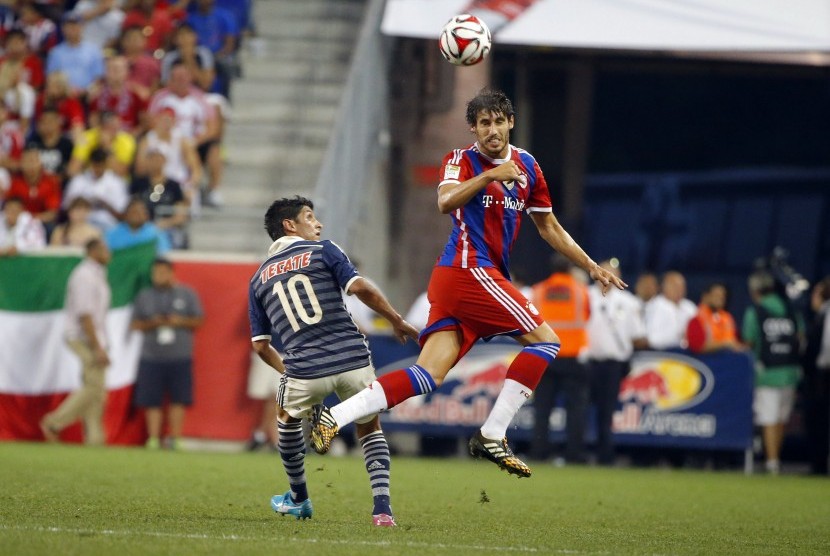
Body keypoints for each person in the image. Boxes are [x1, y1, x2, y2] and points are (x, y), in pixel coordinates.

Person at [309, 89, 626, 478]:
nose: (491, 130)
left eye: (497, 121)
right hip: (467, 271)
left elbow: (549, 226)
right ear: (473, 129)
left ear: (510, 122)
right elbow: (445, 202)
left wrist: (592, 265)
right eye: (483, 124)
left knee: (428, 375)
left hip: (471, 281)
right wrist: (490, 174)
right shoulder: (461, 160)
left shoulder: (528, 166)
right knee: (546, 340)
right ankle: (493, 433)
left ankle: (334, 415)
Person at [248, 196, 418, 525]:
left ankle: (298, 498)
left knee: (285, 417)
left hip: (304, 370)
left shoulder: (258, 279)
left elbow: (260, 346)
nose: (318, 224)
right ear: (290, 225)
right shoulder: (324, 250)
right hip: (353, 359)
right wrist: (395, 319)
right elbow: (361, 289)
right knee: (369, 427)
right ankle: (382, 509)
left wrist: (290, 373)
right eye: (309, 217)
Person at [40, 238, 112, 445]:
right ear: (92, 251)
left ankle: (95, 438)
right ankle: (53, 422)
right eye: (104, 249)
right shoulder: (84, 275)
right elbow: (85, 315)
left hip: (93, 337)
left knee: (96, 391)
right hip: (83, 338)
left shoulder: (97, 274)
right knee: (93, 386)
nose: (108, 253)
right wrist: (97, 347)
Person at [130, 258, 204, 449]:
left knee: (179, 399)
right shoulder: (145, 296)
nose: (158, 277)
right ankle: (153, 439)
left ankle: (176, 438)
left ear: (171, 273)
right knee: (151, 399)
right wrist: (153, 323)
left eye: (162, 273)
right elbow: (135, 324)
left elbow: (198, 321)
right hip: (151, 356)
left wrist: (179, 321)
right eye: (155, 273)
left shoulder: (187, 294)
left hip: (180, 355)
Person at [585, 259, 647, 465]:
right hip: (587, 361)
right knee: (581, 409)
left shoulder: (629, 302)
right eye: (604, 272)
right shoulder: (585, 296)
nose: (607, 277)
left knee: (607, 410)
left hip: (614, 364)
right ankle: (578, 451)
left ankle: (605, 455)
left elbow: (637, 334)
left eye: (612, 273)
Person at [742, 270, 804, 475]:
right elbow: (801, 338)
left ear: (755, 290)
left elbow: (749, 341)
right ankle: (775, 458)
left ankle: (771, 462)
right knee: (781, 419)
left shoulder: (756, 311)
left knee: (769, 417)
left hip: (767, 372)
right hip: (790, 372)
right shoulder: (790, 310)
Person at [530, 253, 590, 464]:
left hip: (546, 356)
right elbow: (588, 316)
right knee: (575, 410)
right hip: (572, 357)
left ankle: (539, 451)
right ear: (569, 269)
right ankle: (574, 454)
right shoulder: (581, 291)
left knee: (542, 408)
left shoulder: (537, 291)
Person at [62, 146, 128, 232]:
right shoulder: (78, 181)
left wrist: (105, 205)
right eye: (95, 165)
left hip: (108, 225)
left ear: (106, 164)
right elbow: (66, 208)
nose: (98, 169)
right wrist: (84, 204)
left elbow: (122, 214)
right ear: (90, 164)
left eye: (101, 165)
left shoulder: (116, 182)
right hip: (82, 224)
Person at [803, 276, 830, 475]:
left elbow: (825, 347)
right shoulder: (820, 314)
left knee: (820, 421)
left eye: (815, 293)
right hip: (819, 376)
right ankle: (818, 465)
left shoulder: (827, 313)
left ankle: (819, 466)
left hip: (824, 375)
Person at [45, 12, 105, 94]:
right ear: (63, 29)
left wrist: (86, 91)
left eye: (76, 25)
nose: (72, 28)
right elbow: (51, 77)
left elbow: (98, 77)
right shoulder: (55, 52)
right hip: (63, 95)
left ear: (82, 27)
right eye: (69, 26)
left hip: (88, 95)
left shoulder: (93, 50)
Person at [5, 145, 62, 229]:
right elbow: (10, 208)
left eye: (33, 161)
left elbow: (52, 213)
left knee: (51, 227)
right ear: (21, 163)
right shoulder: (15, 182)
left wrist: (31, 220)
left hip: (42, 223)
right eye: (27, 161)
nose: (30, 165)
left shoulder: (51, 181)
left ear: (40, 162)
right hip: (19, 223)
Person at [686, 282, 744, 354]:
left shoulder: (727, 318)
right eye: (716, 295)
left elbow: (736, 341)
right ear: (706, 296)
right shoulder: (697, 321)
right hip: (707, 361)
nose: (720, 299)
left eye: (722, 296)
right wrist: (724, 344)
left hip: (728, 359)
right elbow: (697, 347)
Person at [644, 271, 697, 350]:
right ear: (664, 288)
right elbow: (652, 340)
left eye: (681, 287)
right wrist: (679, 336)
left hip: (685, 354)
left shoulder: (689, 306)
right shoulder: (656, 306)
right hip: (660, 353)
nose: (679, 290)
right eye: (675, 286)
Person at [25, 106, 75, 187]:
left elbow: (71, 169)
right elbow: (25, 164)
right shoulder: (32, 142)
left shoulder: (67, 144)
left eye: (50, 121)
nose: (47, 125)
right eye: (43, 122)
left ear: (58, 123)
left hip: (60, 185)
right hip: (35, 184)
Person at [105, 198, 172, 254]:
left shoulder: (155, 233)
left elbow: (163, 253)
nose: (136, 216)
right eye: (134, 212)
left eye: (140, 213)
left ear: (146, 216)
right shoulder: (112, 233)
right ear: (126, 214)